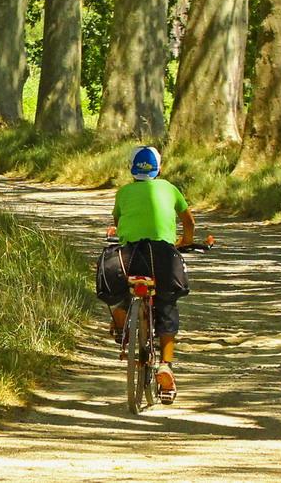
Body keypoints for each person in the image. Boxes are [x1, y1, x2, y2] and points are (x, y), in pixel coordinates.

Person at [97, 146, 197, 403]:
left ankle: (121, 326)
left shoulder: (124, 192)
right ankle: (166, 364)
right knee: (166, 304)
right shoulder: (170, 189)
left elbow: (119, 223)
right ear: (159, 169)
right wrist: (184, 242)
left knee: (119, 290)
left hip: (130, 254)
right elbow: (189, 222)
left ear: (131, 169)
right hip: (162, 255)